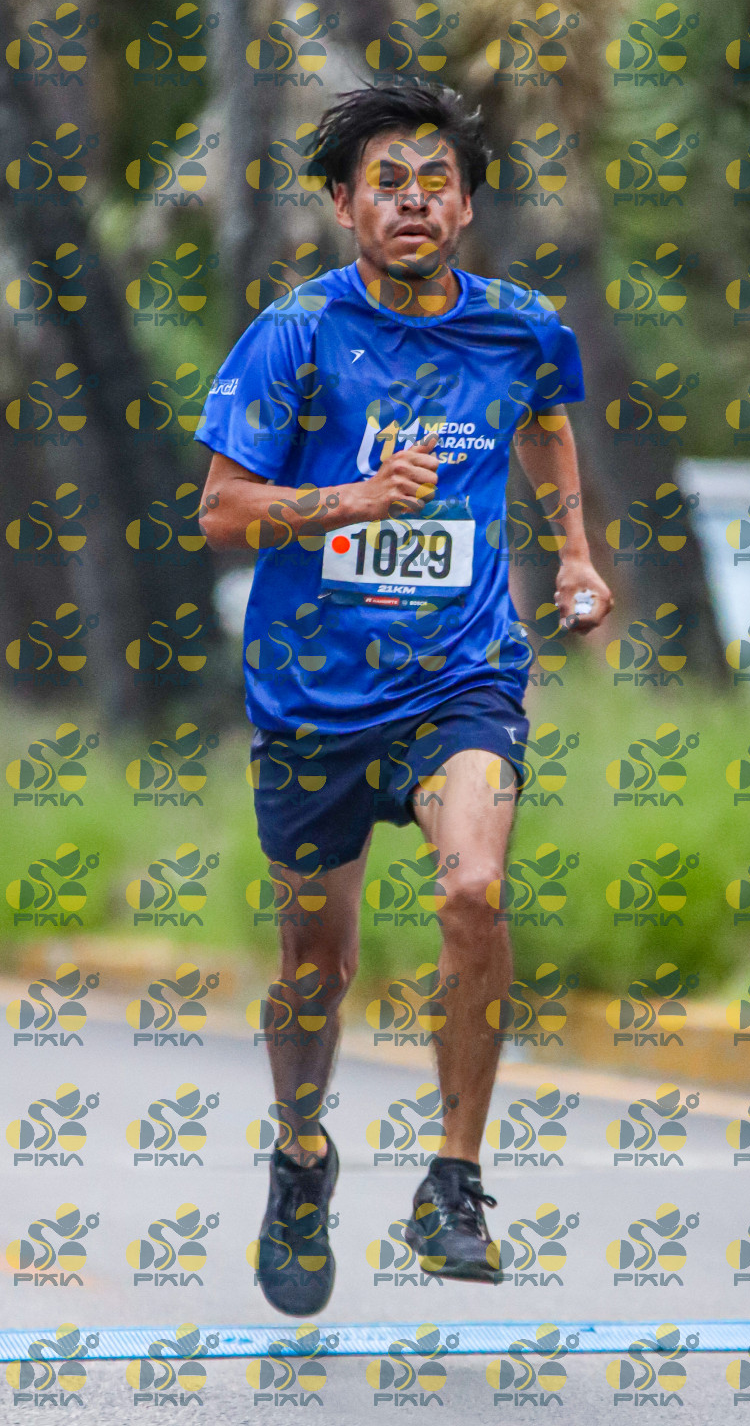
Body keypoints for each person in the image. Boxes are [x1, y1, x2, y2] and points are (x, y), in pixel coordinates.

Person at [196, 80, 612, 1316]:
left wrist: (575, 553)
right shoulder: (295, 336)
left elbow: (545, 424)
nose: (415, 202)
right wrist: (355, 500)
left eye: (438, 183)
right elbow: (221, 511)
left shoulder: (523, 329)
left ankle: (455, 1179)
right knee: (314, 964)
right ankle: (302, 1154)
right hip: (313, 695)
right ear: (344, 205)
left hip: (461, 675)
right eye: (388, 183)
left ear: (467, 206)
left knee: (473, 888)